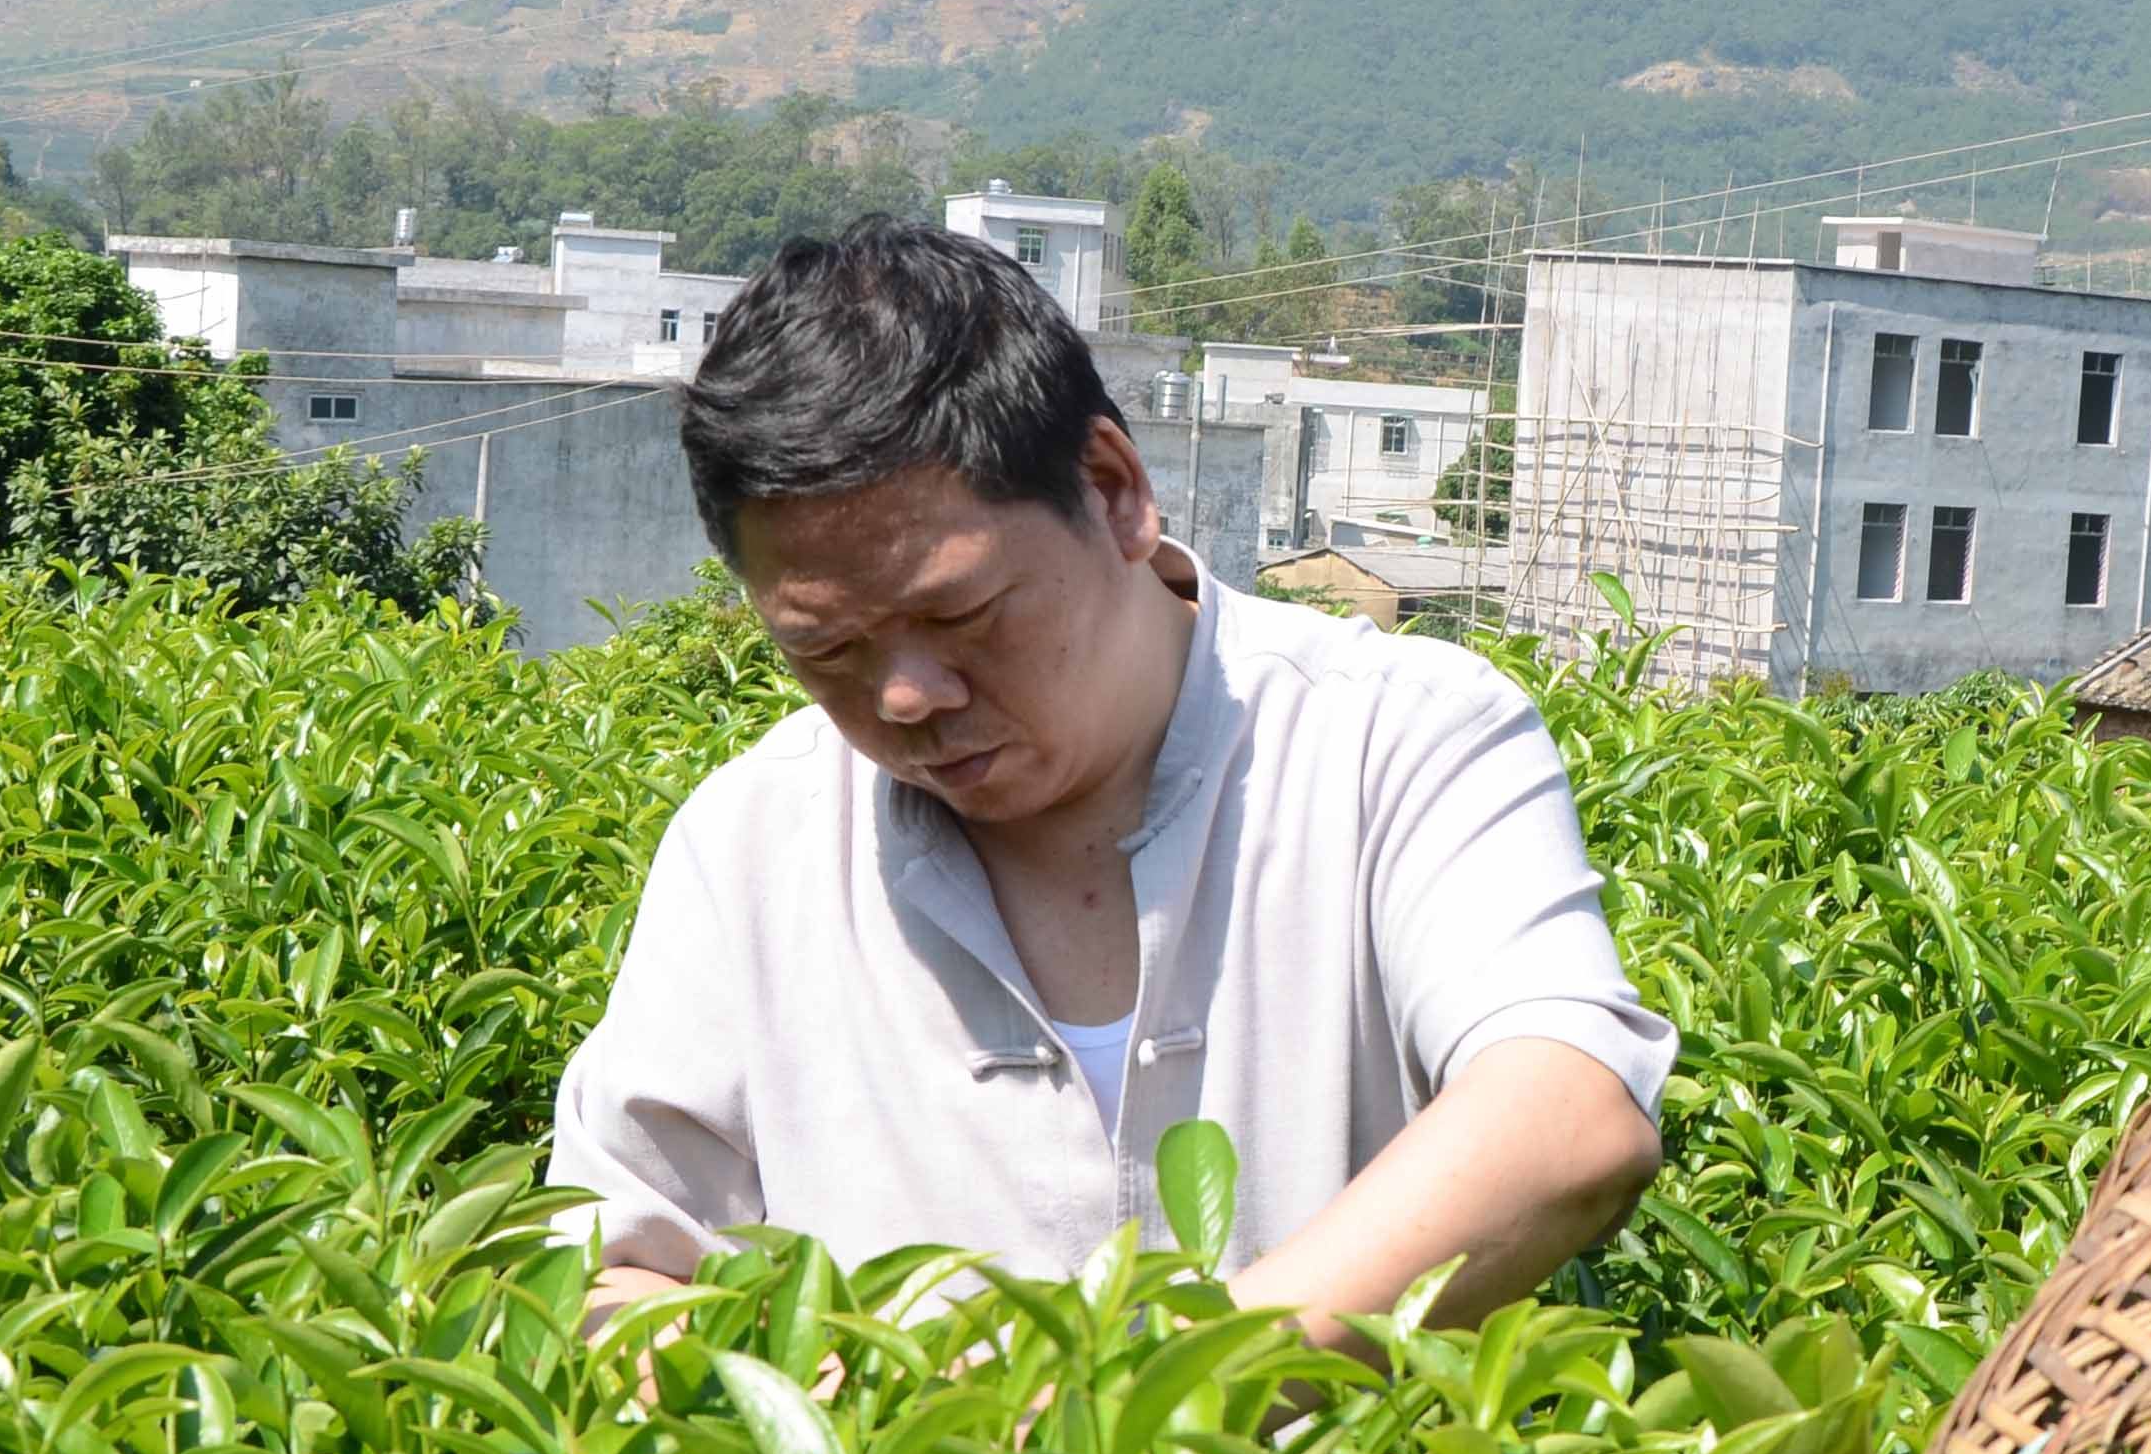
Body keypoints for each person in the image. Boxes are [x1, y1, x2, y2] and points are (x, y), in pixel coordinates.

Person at [552, 220, 1668, 1342]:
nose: (905, 697)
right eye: (826, 650)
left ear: (1113, 488)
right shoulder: (755, 840)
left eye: (959, 615)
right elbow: (604, 1271)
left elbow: (1566, 1117)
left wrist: (1145, 1403)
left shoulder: (1399, 740)